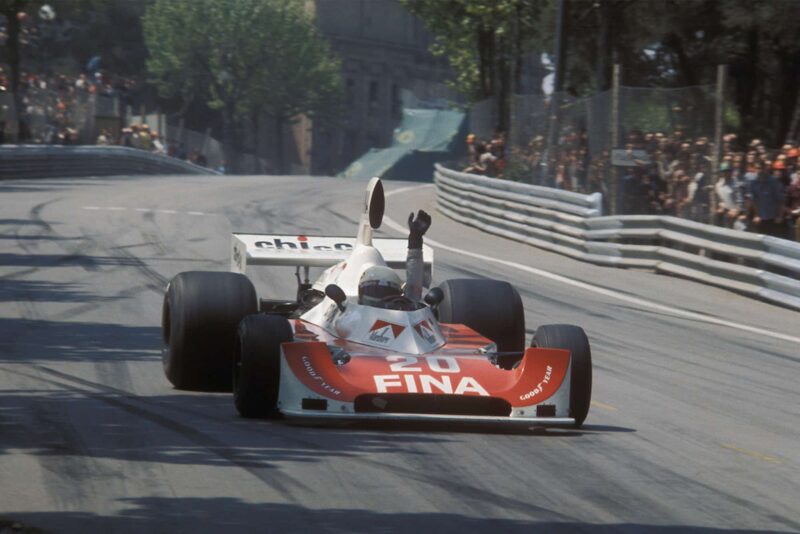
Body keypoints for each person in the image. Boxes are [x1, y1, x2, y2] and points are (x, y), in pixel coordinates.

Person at [358, 210, 431, 308]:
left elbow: (413, 289)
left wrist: (415, 240)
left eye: (386, 292)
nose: (379, 297)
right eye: (374, 291)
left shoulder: (406, 311)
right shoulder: (351, 316)